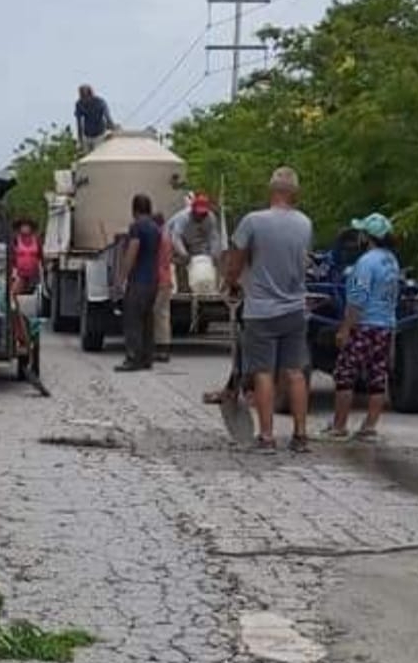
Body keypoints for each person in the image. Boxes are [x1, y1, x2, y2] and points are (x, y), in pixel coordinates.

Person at [225, 166, 313, 453]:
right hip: (295, 308)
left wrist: (232, 283)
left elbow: (236, 260)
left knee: (263, 372)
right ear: (294, 193)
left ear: (271, 190)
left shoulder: (253, 221)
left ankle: (266, 436)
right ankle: (300, 436)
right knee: (295, 372)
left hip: (261, 309)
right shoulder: (305, 224)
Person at [325, 212, 401, 442]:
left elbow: (357, 298)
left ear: (367, 237)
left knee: (345, 374)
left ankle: (339, 426)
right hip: (385, 326)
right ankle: (369, 426)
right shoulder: (392, 261)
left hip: (364, 325)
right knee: (378, 377)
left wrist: (346, 328)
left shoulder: (366, 262)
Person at [115, 194, 160, 373]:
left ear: (134, 209)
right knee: (147, 319)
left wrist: (122, 277)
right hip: (153, 279)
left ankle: (133, 358)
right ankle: (147, 358)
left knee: (132, 319)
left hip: (139, 280)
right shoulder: (156, 227)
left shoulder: (137, 227)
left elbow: (133, 251)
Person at [169, 193, 221, 282]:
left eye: (203, 214)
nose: (201, 216)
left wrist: (214, 254)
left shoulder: (210, 218)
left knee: (200, 262)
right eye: (198, 213)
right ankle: (182, 288)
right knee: (182, 263)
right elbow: (176, 237)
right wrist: (184, 254)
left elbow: (213, 237)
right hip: (174, 239)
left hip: (193, 241)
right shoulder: (183, 218)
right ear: (193, 210)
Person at [153, 211, 174, 363]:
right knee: (164, 314)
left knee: (153, 314)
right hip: (166, 279)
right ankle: (164, 348)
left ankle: (157, 348)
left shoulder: (155, 238)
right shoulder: (167, 239)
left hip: (155, 279)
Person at [75, 85, 114, 152]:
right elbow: (79, 122)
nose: (84, 100)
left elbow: (107, 116)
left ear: (90, 95)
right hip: (87, 135)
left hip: (99, 134)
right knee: (86, 155)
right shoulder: (79, 104)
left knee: (98, 153)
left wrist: (111, 128)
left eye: (85, 97)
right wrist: (80, 140)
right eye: (82, 97)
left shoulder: (100, 102)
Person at [11, 218, 43, 294]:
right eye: (23, 226)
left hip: (34, 274)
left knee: (34, 295)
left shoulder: (37, 240)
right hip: (19, 274)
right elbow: (11, 257)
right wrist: (13, 273)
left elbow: (41, 256)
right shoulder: (15, 240)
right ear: (19, 228)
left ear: (31, 228)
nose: (25, 228)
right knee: (15, 293)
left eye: (27, 226)